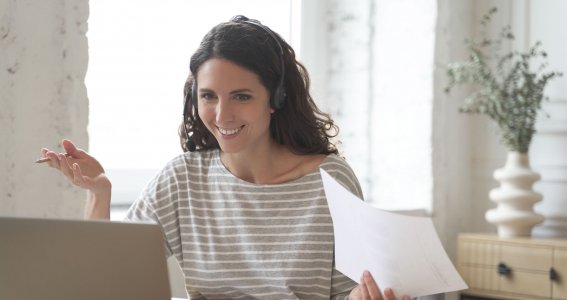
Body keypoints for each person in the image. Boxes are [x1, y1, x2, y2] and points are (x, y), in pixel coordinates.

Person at [40, 15, 411, 300]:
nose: (222, 116)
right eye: (208, 96)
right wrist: (99, 193)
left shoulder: (330, 180)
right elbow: (106, 280)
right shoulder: (183, 179)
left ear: (276, 98)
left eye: (242, 96)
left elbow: (350, 291)